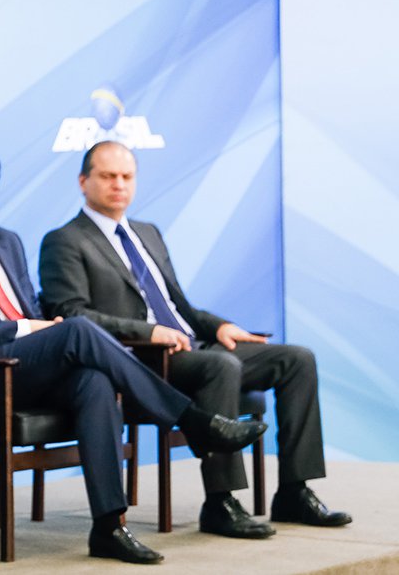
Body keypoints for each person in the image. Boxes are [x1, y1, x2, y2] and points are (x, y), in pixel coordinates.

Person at [0, 144, 266, 564]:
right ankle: (191, 420)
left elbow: (33, 308)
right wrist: (27, 328)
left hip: (31, 367)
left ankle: (109, 526)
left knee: (95, 381)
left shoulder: (7, 241)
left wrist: (40, 327)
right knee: (76, 329)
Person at [38, 140, 351, 541]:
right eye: (107, 176)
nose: (119, 184)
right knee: (220, 365)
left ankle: (294, 490)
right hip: (139, 360)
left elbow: (178, 305)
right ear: (83, 181)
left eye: (127, 176)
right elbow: (72, 313)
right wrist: (147, 332)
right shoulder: (64, 240)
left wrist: (218, 326)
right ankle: (221, 503)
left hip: (190, 346)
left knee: (297, 358)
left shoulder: (146, 233)